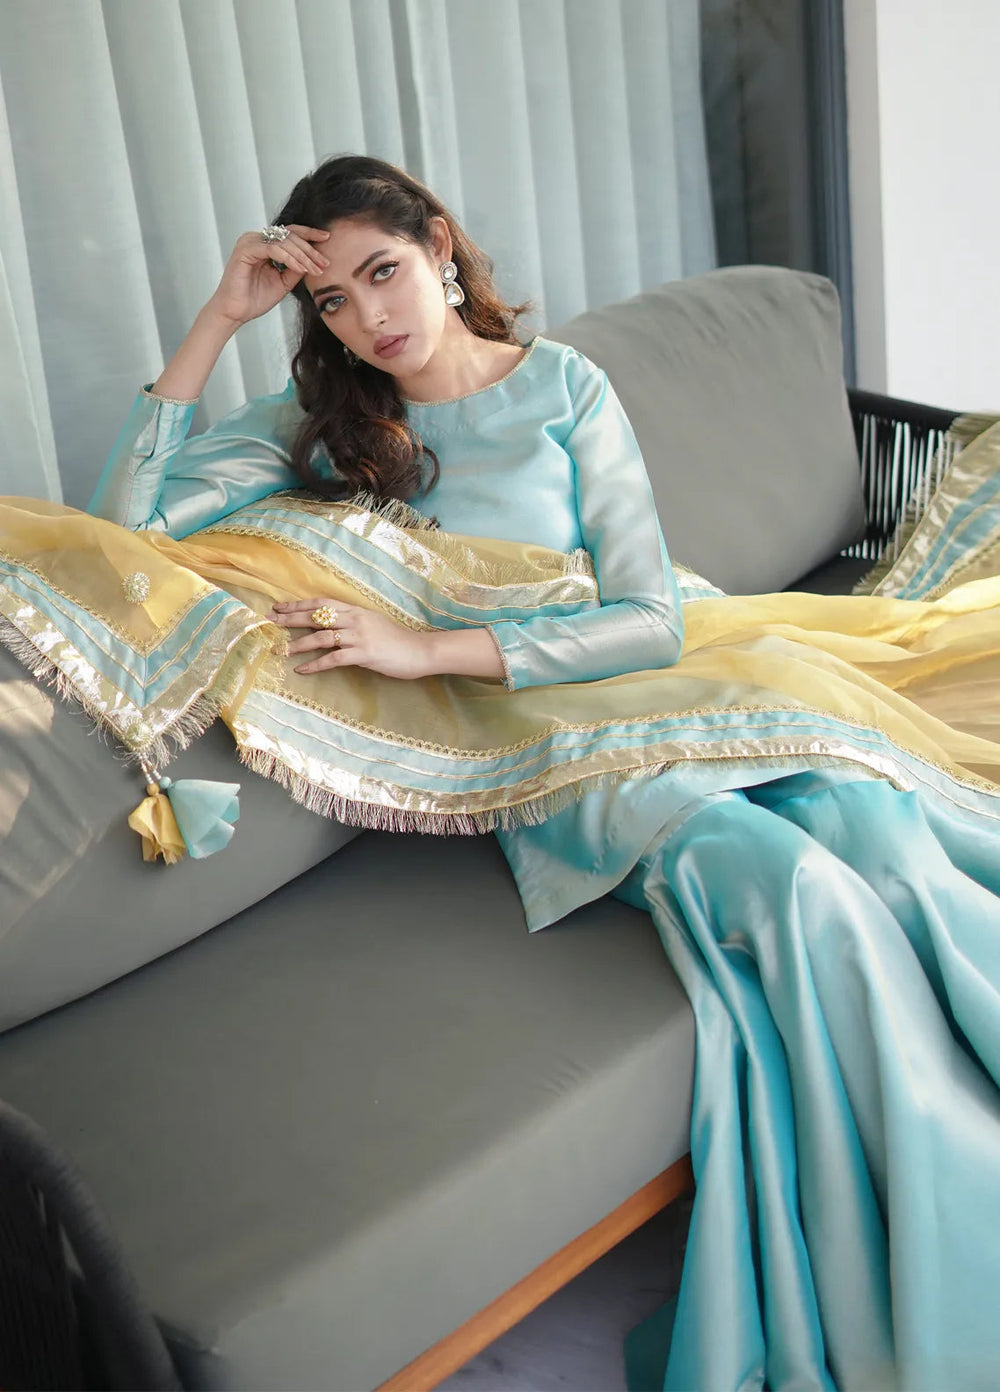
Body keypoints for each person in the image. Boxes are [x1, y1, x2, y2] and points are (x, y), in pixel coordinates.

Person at [85, 155, 1000, 1391]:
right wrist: (218, 319)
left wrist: (426, 646)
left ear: (439, 246)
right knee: (795, 890)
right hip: (544, 750)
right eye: (334, 301)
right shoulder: (326, 431)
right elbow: (125, 528)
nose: (369, 317)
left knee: (883, 832)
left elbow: (648, 617)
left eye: (383, 272)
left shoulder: (562, 385)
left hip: (678, 676)